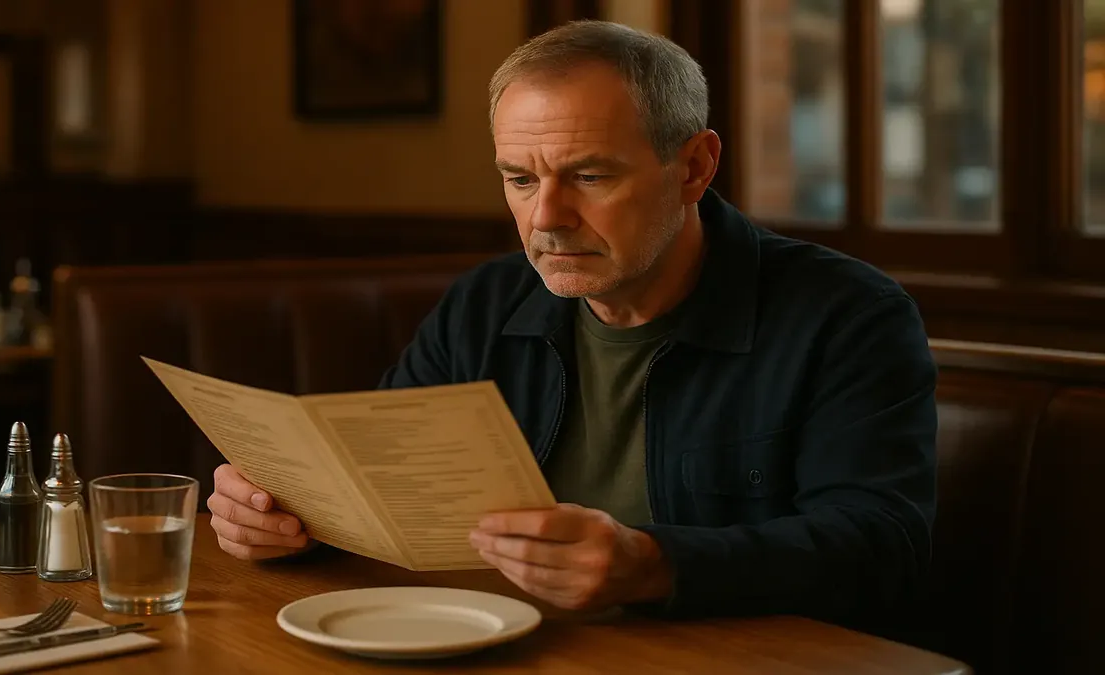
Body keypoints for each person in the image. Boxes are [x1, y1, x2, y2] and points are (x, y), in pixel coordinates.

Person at [206, 20, 937, 636]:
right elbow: (380, 492)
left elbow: (882, 546)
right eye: (520, 179)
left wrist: (653, 564)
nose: (546, 218)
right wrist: (283, 521)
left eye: (589, 176)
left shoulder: (846, 314)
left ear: (694, 167)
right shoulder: (484, 304)